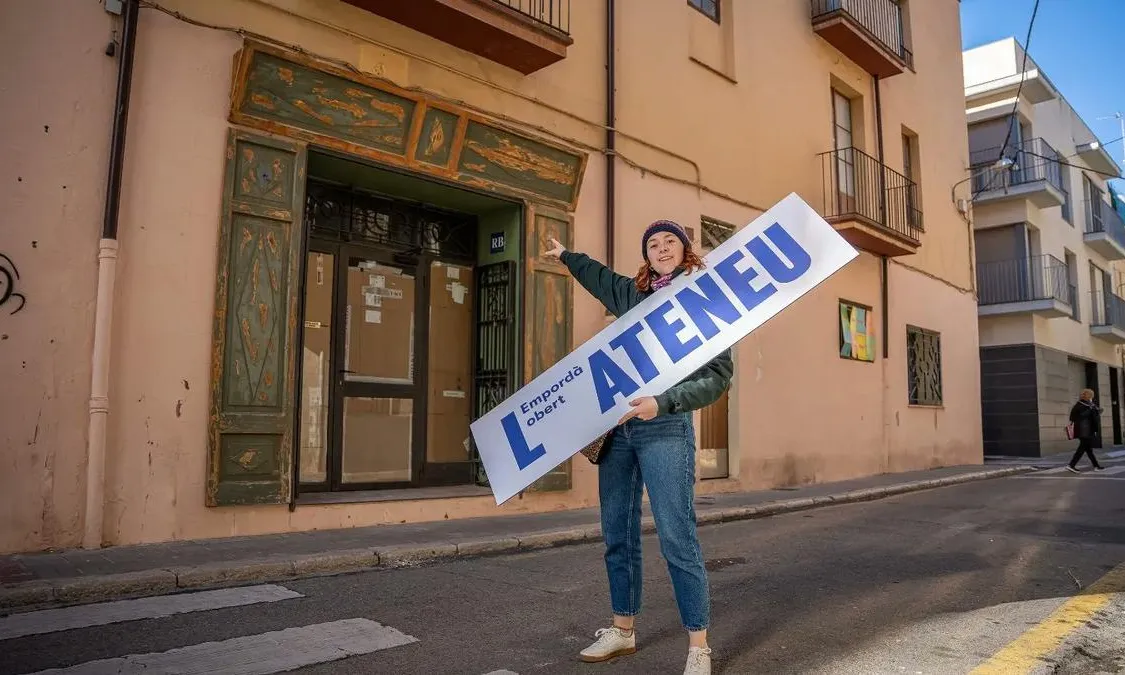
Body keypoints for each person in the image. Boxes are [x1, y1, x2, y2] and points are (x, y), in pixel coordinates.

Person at [544, 219, 733, 675]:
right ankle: (623, 632)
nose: (662, 247)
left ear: (685, 250)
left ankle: (698, 646)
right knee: (618, 534)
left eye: (671, 241)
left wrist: (664, 402)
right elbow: (599, 278)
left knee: (676, 537)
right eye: (654, 243)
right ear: (646, 254)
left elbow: (718, 378)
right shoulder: (633, 294)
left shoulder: (704, 300)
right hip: (616, 431)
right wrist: (568, 256)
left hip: (664, 427)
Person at [1067, 389, 1106, 473]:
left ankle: (1096, 466)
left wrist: (1096, 411)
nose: (1092, 398)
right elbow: (1084, 416)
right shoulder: (1085, 406)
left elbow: (1072, 417)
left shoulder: (1082, 405)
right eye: (1091, 396)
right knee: (1082, 449)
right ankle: (1071, 465)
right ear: (1089, 396)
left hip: (1083, 430)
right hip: (1085, 431)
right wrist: (1093, 410)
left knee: (1088, 449)